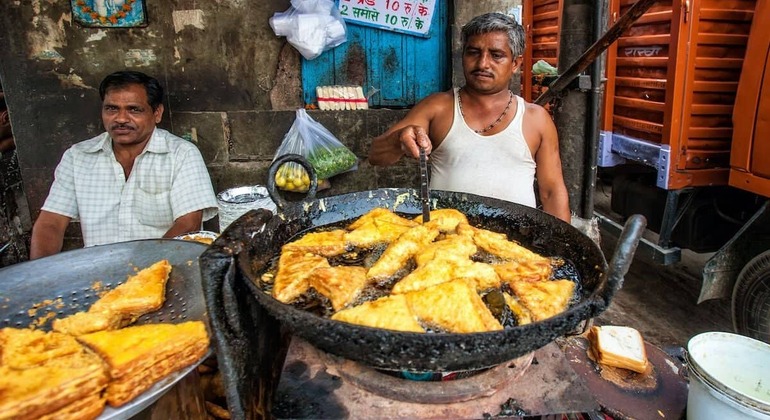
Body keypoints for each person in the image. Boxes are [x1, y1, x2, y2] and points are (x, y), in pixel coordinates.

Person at [368, 12, 571, 223]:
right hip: (445, 242)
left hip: (515, 244)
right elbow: (376, 155)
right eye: (473, 52)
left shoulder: (536, 118)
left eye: (496, 55)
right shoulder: (438, 106)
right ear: (463, 56)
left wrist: (566, 252)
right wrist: (400, 139)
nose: (483, 63)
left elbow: (552, 192)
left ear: (515, 63)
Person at [30, 70, 218, 259]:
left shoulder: (181, 155)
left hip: (164, 270)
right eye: (111, 109)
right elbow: (51, 223)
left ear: (157, 113)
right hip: (97, 274)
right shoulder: (77, 157)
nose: (121, 118)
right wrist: (39, 275)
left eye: (134, 109)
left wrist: (138, 272)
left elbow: (188, 225)